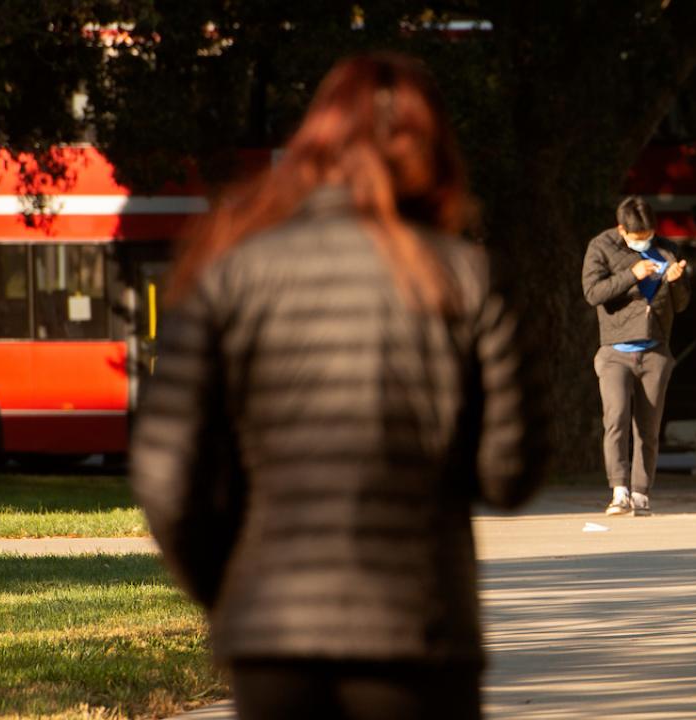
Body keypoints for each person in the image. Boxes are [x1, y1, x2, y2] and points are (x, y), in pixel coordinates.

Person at [129, 53, 545, 720]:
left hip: (273, 632)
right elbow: (510, 472)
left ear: (314, 143)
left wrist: (230, 590)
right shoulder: (468, 277)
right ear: (435, 150)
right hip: (419, 628)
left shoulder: (233, 272)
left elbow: (163, 470)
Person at [581, 196, 689, 516]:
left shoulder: (668, 250)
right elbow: (593, 293)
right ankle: (619, 491)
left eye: (649, 236)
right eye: (637, 238)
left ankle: (641, 493)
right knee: (615, 419)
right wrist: (633, 273)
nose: (644, 242)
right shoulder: (601, 247)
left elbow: (681, 304)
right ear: (621, 229)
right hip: (615, 351)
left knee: (649, 426)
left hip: (655, 350)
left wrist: (678, 282)